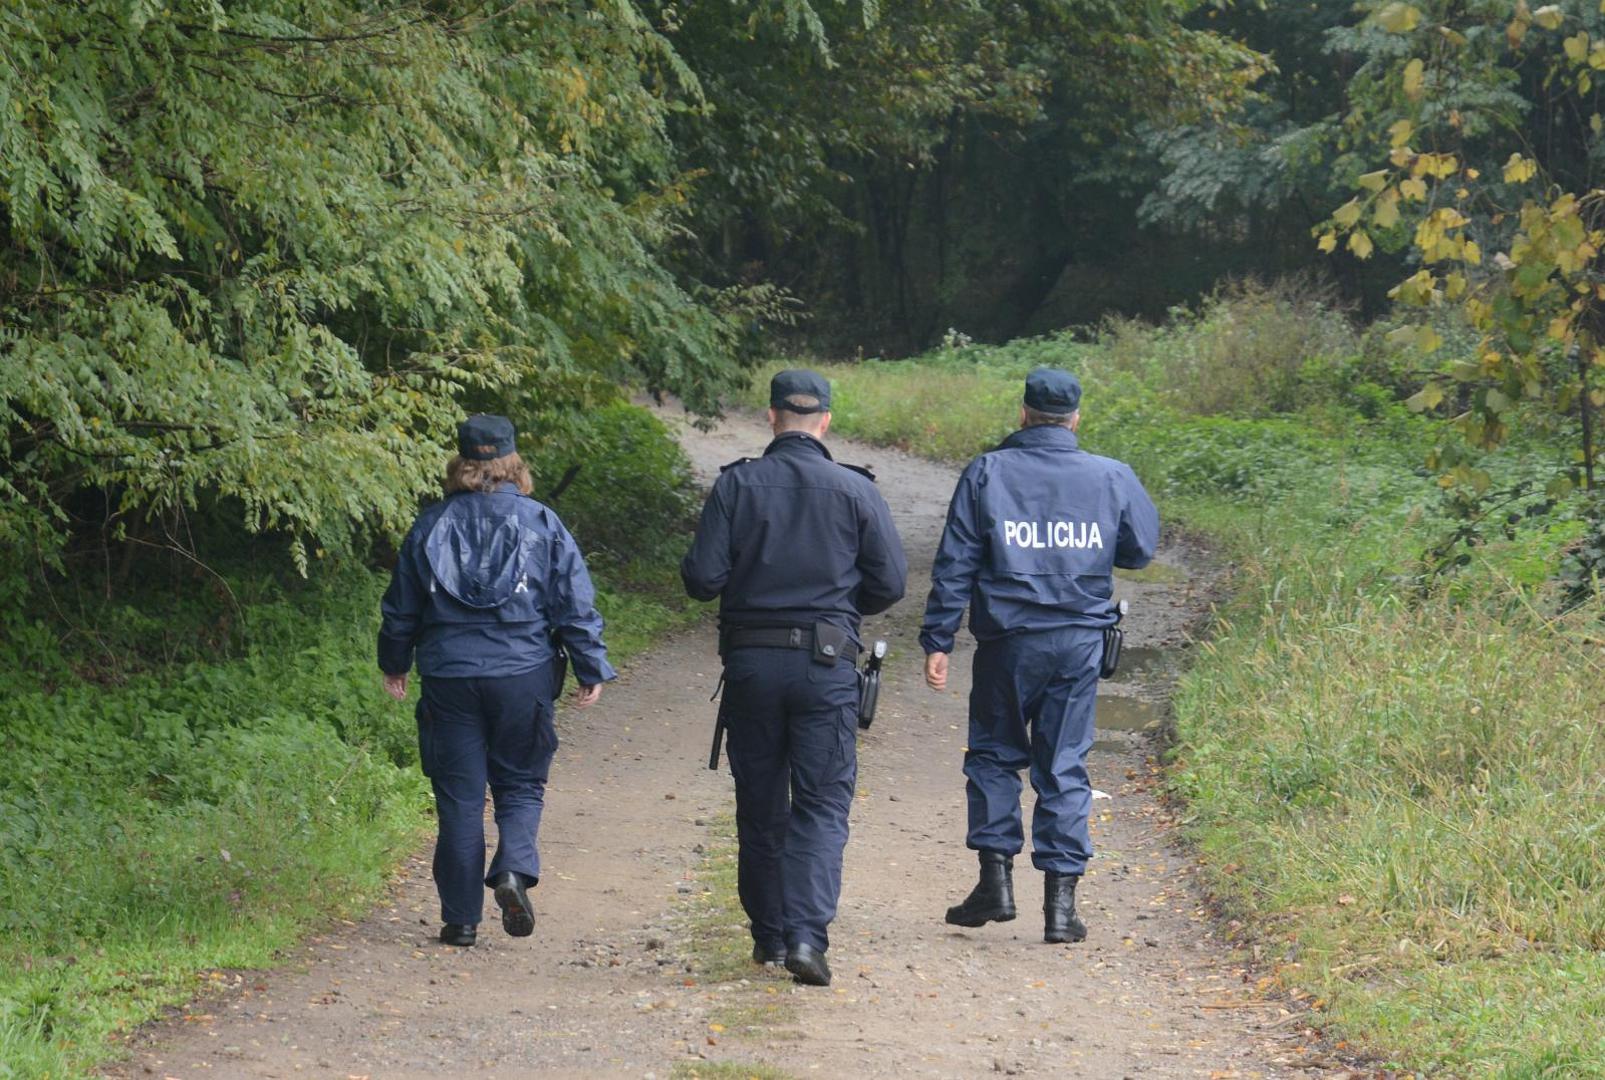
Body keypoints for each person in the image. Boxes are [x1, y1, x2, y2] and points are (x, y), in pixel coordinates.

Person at [681, 369, 907, 986]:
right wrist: (840, 607)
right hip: (825, 664)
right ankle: (808, 936)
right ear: (825, 421)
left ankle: (770, 936)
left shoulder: (736, 485)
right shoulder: (856, 490)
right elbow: (890, 583)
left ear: (772, 417)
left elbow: (701, 579)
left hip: (752, 665)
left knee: (760, 802)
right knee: (821, 802)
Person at [920, 368, 1158, 944]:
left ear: (1023, 413)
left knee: (994, 755)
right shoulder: (1112, 475)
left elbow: (956, 561)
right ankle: (1060, 908)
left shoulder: (987, 471)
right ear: (1076, 418)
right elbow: (1139, 550)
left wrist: (939, 638)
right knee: (1064, 763)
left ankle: (995, 884)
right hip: (1078, 645)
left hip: (1008, 643)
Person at [378, 414, 616, 948]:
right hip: (522, 674)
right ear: (513, 462)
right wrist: (590, 665)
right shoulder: (542, 522)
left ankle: (460, 921)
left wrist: (395, 662)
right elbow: (573, 602)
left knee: (459, 798)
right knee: (522, 782)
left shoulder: (430, 525)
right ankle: (512, 869)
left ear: (460, 463)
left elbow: (401, 607)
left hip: (450, 677)